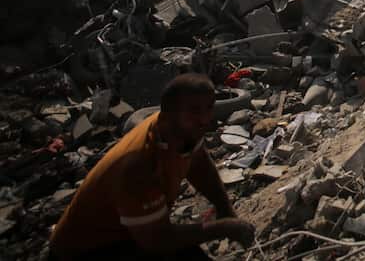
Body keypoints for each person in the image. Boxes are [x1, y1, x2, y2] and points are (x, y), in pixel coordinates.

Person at [50, 73, 255, 260]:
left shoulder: (183, 131)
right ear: (167, 114)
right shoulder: (139, 166)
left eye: (209, 107)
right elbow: (158, 240)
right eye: (194, 110)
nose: (204, 118)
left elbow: (198, 163)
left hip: (129, 233)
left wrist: (223, 206)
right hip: (86, 250)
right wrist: (224, 228)